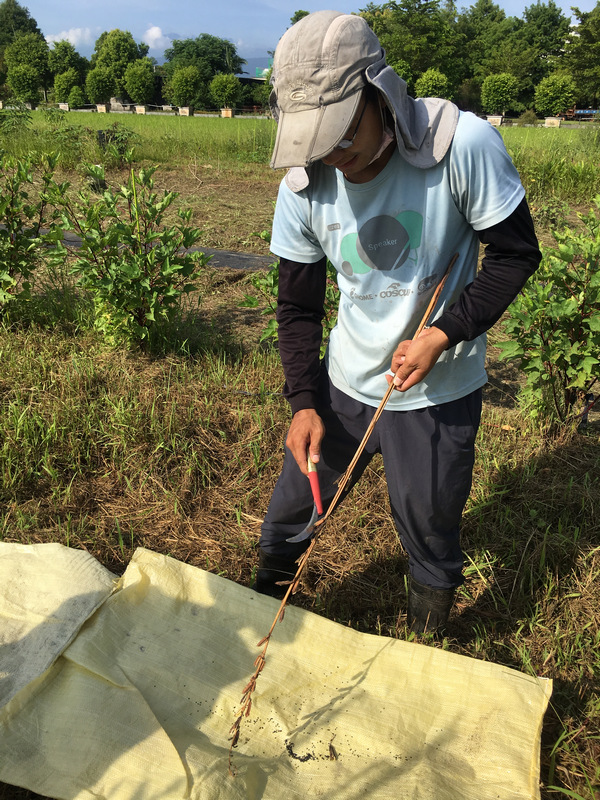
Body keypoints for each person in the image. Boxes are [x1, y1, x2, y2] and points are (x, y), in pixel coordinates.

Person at [254, 10, 541, 633]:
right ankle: (257, 621)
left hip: (437, 391)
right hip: (343, 385)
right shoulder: (305, 185)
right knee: (288, 515)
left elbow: (516, 254)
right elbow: (297, 308)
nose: (333, 154)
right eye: (317, 140)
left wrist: (443, 334)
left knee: (429, 526)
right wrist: (305, 401)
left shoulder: (461, 146)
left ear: (379, 94)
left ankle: (426, 636)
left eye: (342, 133)